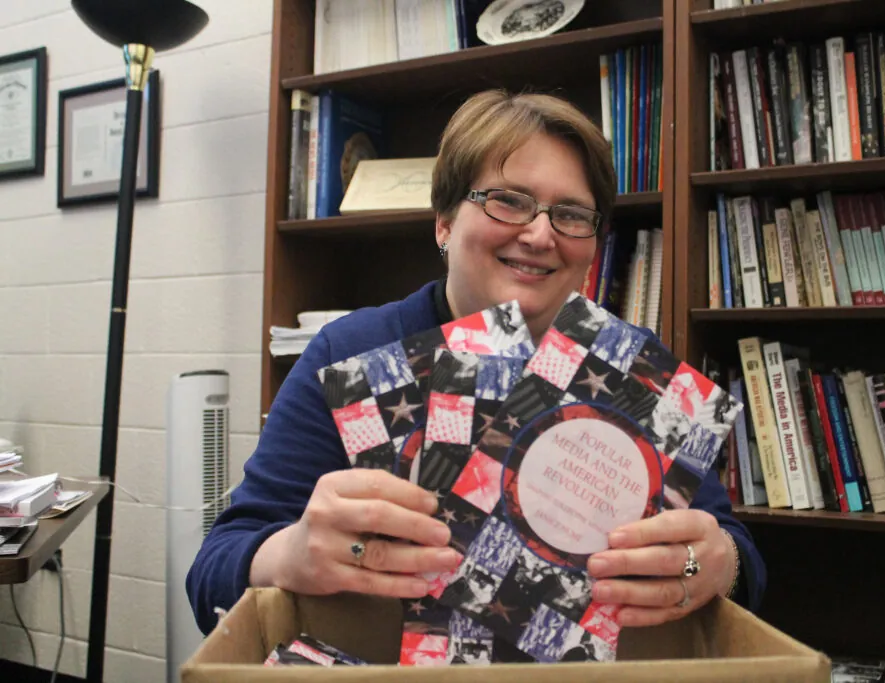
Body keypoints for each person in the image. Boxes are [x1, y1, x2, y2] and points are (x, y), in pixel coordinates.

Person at [186, 89, 766, 636]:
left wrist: (719, 564)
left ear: (593, 241)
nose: (540, 234)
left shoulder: (634, 372)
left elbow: (741, 563)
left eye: (571, 213)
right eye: (508, 201)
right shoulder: (354, 352)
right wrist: (290, 554)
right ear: (443, 223)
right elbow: (212, 571)